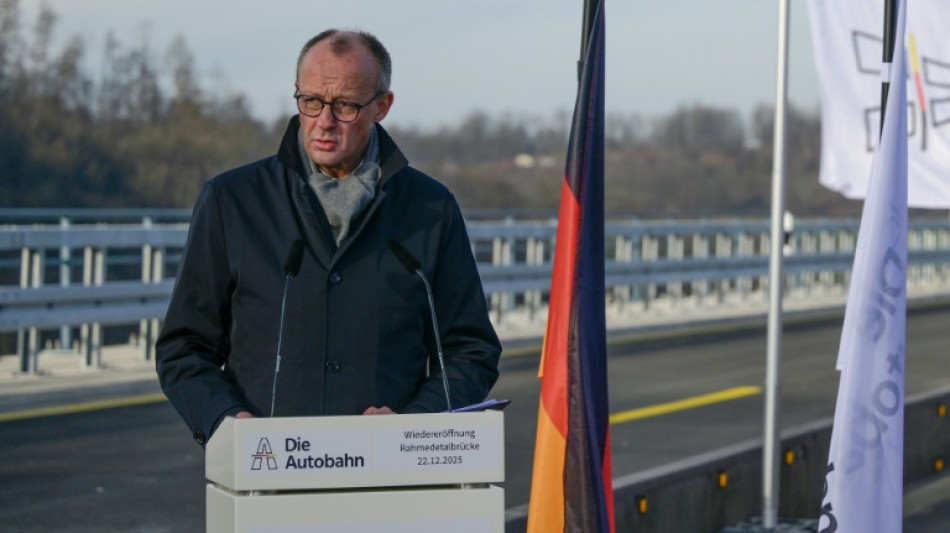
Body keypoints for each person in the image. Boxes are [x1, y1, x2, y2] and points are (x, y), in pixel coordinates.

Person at [155, 29, 501, 446]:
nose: (324, 121)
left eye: (345, 106)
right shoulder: (232, 201)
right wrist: (226, 421)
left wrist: (414, 424)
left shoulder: (431, 209)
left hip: (388, 475)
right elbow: (184, 347)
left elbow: (470, 351)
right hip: (264, 474)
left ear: (382, 106)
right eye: (312, 101)